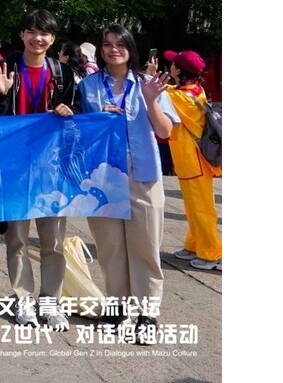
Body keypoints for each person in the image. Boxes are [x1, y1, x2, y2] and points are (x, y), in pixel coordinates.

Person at [0, 8, 81, 331]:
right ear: (22, 35)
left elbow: (77, 114)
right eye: (31, 31)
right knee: (16, 238)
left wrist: (70, 109)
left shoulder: (62, 73)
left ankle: (51, 302)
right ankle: (24, 299)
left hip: (52, 170)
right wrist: (2, 94)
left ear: (52, 39)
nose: (37, 38)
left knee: (53, 241)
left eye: (44, 33)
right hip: (16, 169)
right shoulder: (6, 68)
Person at [82, 26, 177, 342]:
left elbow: (165, 132)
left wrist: (151, 101)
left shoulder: (148, 84)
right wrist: (98, 119)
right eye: (107, 44)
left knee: (145, 243)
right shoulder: (87, 86)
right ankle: (117, 307)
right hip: (102, 173)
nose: (113, 49)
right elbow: (77, 130)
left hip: (142, 172)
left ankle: (147, 313)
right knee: (109, 245)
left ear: (130, 48)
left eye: (120, 44)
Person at [160, 49, 221, 272]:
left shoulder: (180, 97)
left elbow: (160, 92)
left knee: (202, 209)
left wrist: (151, 76)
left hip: (194, 162)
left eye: (173, 64)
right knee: (193, 207)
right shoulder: (195, 90)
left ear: (179, 71)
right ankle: (195, 245)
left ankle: (212, 254)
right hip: (193, 161)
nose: (170, 66)